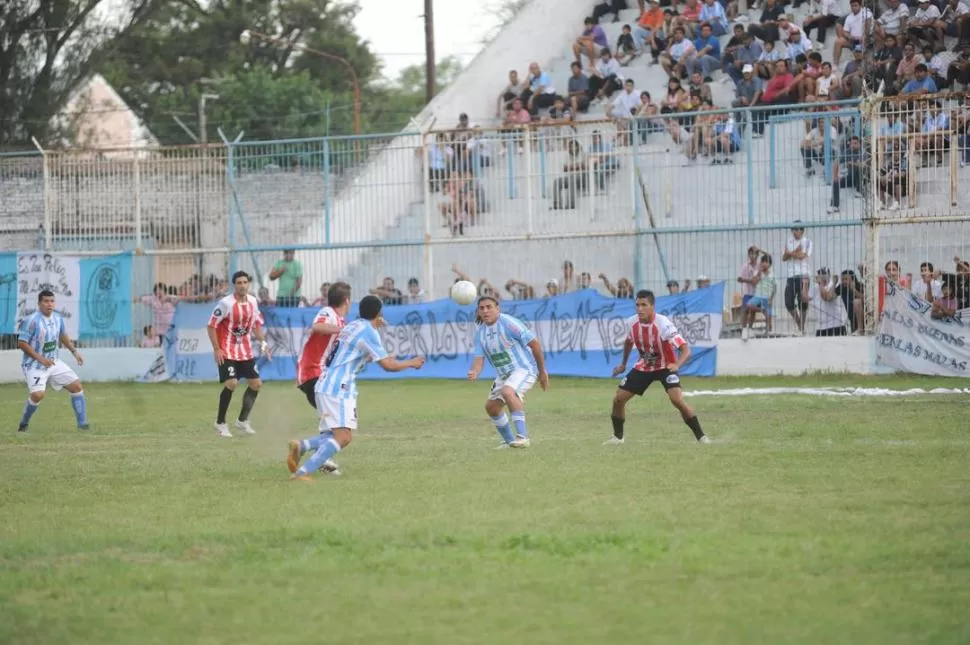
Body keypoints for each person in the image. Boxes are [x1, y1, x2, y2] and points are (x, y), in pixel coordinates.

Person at [287, 295, 425, 479]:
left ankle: (301, 445)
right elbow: (388, 366)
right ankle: (303, 472)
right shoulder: (368, 331)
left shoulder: (352, 325)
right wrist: (411, 363)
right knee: (344, 437)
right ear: (379, 313)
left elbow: (358, 352)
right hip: (338, 388)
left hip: (325, 383)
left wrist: (376, 325)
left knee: (332, 434)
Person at [607, 289, 710, 445]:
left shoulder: (663, 324)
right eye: (637, 305)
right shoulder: (632, 322)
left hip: (665, 367)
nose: (639, 309)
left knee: (676, 400)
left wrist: (677, 364)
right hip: (644, 366)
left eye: (644, 305)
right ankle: (618, 438)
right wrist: (623, 364)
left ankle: (701, 437)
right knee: (618, 400)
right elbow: (629, 341)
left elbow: (686, 350)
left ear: (652, 306)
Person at [467, 296, 549, 449]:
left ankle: (523, 437)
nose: (485, 311)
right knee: (491, 407)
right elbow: (479, 358)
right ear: (478, 312)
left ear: (498, 308)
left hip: (524, 369)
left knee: (507, 391)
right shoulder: (480, 333)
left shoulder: (509, 323)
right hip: (504, 375)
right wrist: (475, 371)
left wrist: (542, 372)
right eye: (482, 308)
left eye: (489, 307)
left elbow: (535, 345)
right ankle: (509, 441)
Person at [207, 271, 272, 438]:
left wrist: (264, 344)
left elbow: (257, 325)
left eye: (245, 282)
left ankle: (242, 421)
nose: (242, 285)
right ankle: (220, 422)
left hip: (245, 351)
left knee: (256, 384)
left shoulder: (252, 301)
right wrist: (216, 348)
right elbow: (211, 325)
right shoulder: (225, 303)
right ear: (234, 285)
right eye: (239, 283)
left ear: (248, 284)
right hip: (227, 351)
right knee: (232, 383)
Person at [17, 290, 89, 432]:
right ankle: (23, 424)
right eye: (46, 301)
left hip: (54, 362)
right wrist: (41, 359)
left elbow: (62, 335)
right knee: (38, 395)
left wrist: (75, 352)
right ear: (39, 304)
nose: (49, 304)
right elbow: (22, 343)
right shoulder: (31, 320)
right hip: (34, 365)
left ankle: (82, 425)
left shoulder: (57, 318)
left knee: (76, 386)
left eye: (52, 301)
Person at [296, 282, 351, 409]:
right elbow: (317, 326)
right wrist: (343, 330)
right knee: (335, 415)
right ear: (347, 301)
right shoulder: (328, 312)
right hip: (312, 373)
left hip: (321, 374)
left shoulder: (341, 321)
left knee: (334, 416)